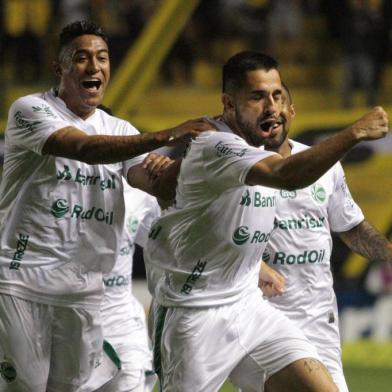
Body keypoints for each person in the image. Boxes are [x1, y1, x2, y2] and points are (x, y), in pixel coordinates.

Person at [139, 51, 389, 392]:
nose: (271, 107)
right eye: (257, 97)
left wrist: (254, 266)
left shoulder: (267, 153)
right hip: (195, 315)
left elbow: (232, 223)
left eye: (277, 96)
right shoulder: (217, 147)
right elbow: (286, 176)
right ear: (229, 103)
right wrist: (354, 133)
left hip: (250, 307)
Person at [0, 20, 211, 391]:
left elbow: (153, 184)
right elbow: (84, 148)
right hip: (22, 281)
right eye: (81, 58)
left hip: (83, 292)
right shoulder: (29, 110)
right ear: (59, 69)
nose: (94, 66)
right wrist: (168, 134)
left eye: (102, 58)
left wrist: (189, 159)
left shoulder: (122, 129)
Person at [257, 83, 392, 391]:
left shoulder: (324, 164)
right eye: (264, 106)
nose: (273, 111)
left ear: (292, 112)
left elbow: (350, 226)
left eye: (281, 104)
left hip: (319, 320)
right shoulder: (238, 167)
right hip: (263, 317)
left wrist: (388, 252)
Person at [85, 180, 160, 391]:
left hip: (122, 321)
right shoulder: (56, 186)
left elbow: (167, 246)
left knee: (130, 382)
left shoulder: (141, 195)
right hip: (70, 321)